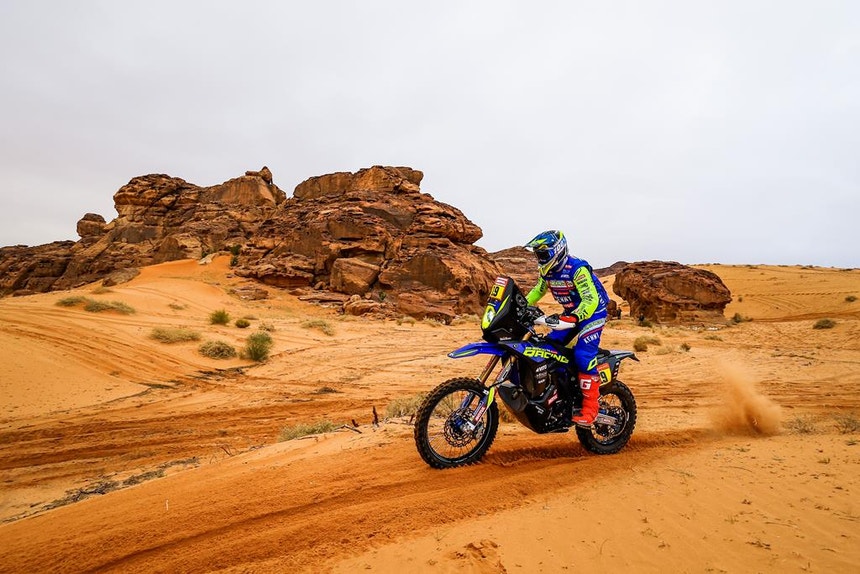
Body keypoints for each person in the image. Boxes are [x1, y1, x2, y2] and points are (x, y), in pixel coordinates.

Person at [524, 230, 609, 427]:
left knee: (583, 355)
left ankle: (590, 409)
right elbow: (538, 291)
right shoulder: (547, 272)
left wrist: (575, 317)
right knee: (548, 348)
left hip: (593, 313)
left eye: (542, 254)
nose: (539, 258)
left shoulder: (577, 269)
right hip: (571, 313)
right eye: (537, 254)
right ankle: (563, 393)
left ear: (557, 251)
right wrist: (520, 306)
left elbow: (590, 299)